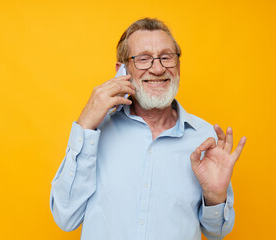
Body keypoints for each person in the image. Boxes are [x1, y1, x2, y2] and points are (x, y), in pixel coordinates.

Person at [50, 17, 246, 240]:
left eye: (166, 57)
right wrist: (84, 125)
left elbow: (216, 231)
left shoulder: (205, 139)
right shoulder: (94, 134)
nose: (158, 68)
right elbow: (65, 218)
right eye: (143, 59)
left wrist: (214, 197)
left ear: (178, 66)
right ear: (122, 69)